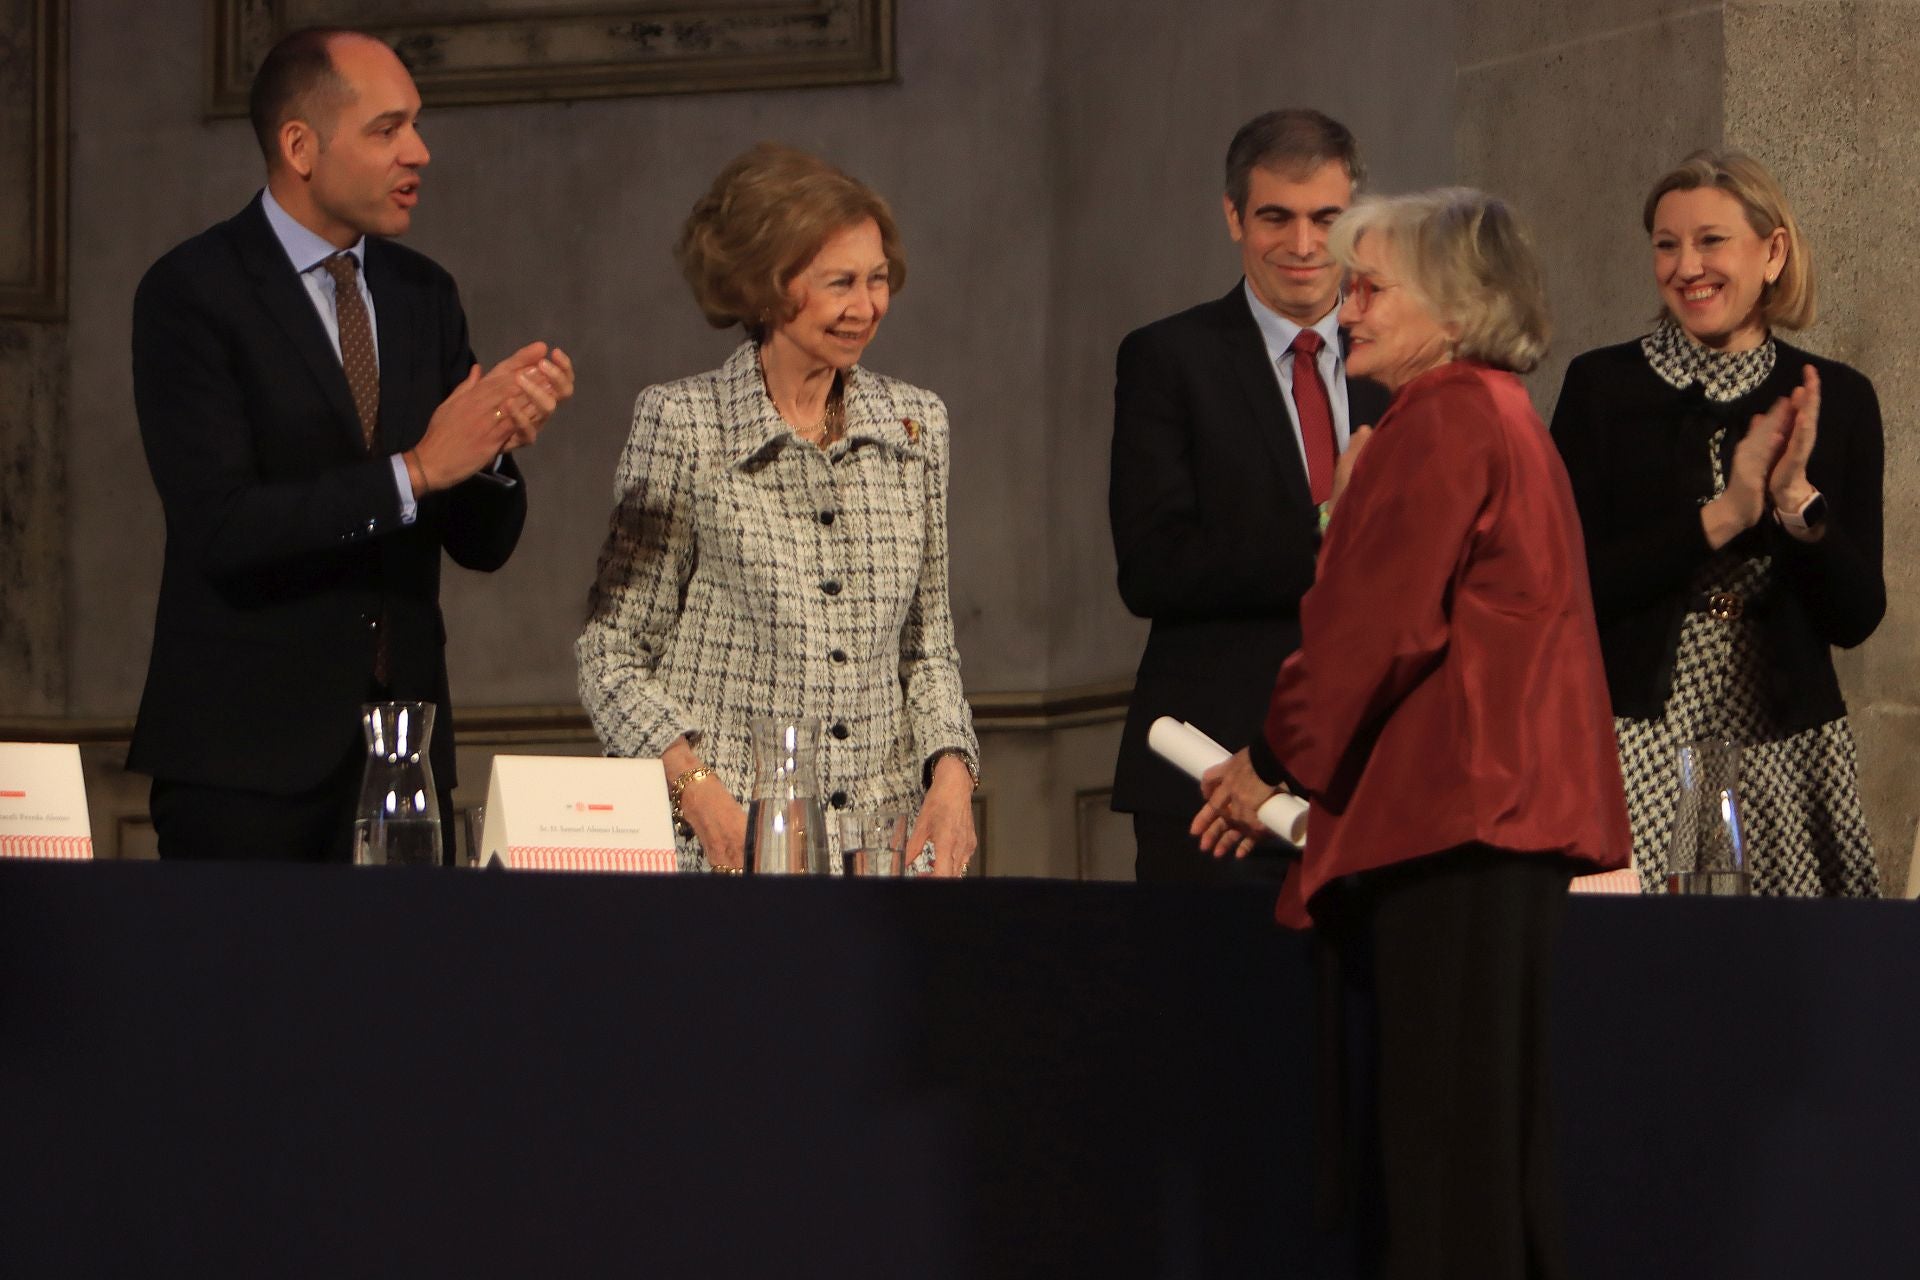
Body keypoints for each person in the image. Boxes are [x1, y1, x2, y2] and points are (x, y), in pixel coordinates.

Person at [1195, 189, 1631, 1280]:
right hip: (1498, 820)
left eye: (1373, 286)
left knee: (1442, 1159)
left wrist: (1267, 762)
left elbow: (1371, 629)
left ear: (1459, 304)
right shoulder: (1503, 413)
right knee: (1487, 1148)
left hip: (1455, 817)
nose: (1346, 310)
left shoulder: (1440, 419)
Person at [129, 27, 574, 862]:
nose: (420, 151)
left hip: (400, 761)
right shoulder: (192, 294)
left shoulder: (423, 296)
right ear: (300, 145)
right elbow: (221, 528)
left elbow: (481, 545)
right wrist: (416, 470)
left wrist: (495, 451)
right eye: (387, 129)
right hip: (243, 768)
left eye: (416, 125)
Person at [576, 144, 978, 876]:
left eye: (878, 280)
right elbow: (610, 655)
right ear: (764, 289)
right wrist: (704, 799)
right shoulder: (684, 424)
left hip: (882, 852)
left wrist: (953, 775)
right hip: (725, 848)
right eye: (840, 284)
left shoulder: (916, 427)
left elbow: (930, 648)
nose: (867, 307)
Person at [1552, 151, 1883, 897]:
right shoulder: (1601, 387)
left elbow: (1858, 616)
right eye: (1667, 244)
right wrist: (1723, 517)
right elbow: (1564, 587)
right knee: (1634, 985)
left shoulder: (1841, 399)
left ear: (1772, 253)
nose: (1686, 266)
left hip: (1785, 752)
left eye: (1710, 241)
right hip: (1627, 740)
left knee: (1777, 986)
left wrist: (1796, 506)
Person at [1108, 109, 1389, 884]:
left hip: (1378, 777)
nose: (1303, 246)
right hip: (1209, 781)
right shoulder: (1168, 358)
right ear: (1234, 216)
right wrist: (1334, 529)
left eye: (1326, 219)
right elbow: (1153, 567)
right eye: (1276, 217)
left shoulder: (1404, 362)